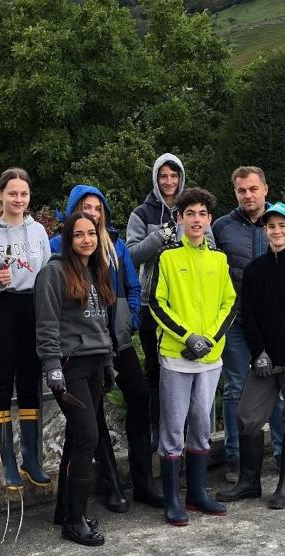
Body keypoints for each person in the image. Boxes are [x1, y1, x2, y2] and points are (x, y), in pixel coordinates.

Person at [51, 185, 163, 511]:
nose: (94, 214)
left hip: (117, 338)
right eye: (87, 208)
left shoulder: (114, 246)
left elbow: (131, 284)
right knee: (94, 412)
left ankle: (143, 482)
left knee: (139, 398)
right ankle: (113, 485)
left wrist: (130, 321)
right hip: (83, 344)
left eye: (98, 209)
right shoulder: (58, 246)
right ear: (73, 211)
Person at [216, 203, 285, 509]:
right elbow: (249, 316)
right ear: (266, 232)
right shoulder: (254, 271)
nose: (276, 231)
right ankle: (250, 482)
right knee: (247, 418)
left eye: (282, 225)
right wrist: (258, 353)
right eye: (271, 227)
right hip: (265, 362)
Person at [211, 166, 285, 483]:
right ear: (235, 193)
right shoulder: (222, 227)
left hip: (276, 325)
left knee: (278, 390)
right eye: (241, 191)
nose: (248, 195)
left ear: (265, 188)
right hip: (236, 322)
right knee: (237, 388)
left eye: (253, 189)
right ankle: (236, 458)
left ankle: (282, 456)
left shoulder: (280, 225)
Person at [149, 187, 235, 526]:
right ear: (180, 219)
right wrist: (187, 337)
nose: (196, 220)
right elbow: (156, 303)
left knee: (201, 423)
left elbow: (229, 303)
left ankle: (197, 493)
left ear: (209, 219)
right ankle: (172, 499)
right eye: (190, 214)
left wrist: (210, 338)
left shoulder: (219, 259)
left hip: (210, 357)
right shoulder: (168, 258)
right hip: (176, 355)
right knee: (173, 428)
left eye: (202, 214)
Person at [35, 212, 116, 547]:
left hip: (96, 362)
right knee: (88, 436)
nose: (86, 240)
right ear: (68, 240)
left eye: (91, 233)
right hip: (70, 366)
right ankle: (75, 521)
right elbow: (47, 323)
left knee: (77, 437)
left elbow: (102, 324)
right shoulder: (53, 273)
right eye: (78, 235)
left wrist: (109, 361)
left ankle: (66, 510)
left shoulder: (97, 271)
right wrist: (51, 365)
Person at [0, 167, 52, 489]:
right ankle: (6, 461)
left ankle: (32, 458)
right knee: (4, 385)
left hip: (33, 308)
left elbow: (47, 272)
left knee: (31, 383)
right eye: (12, 193)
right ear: (0, 195)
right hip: (0, 308)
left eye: (24, 194)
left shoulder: (39, 232)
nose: (18, 199)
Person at [125, 154, 185, 443]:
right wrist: (160, 237)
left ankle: (180, 432)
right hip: (151, 301)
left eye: (174, 175)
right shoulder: (142, 213)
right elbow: (132, 254)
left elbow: (210, 246)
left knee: (183, 368)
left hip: (185, 302)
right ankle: (155, 432)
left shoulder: (191, 209)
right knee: (154, 368)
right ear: (156, 178)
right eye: (164, 176)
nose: (169, 181)